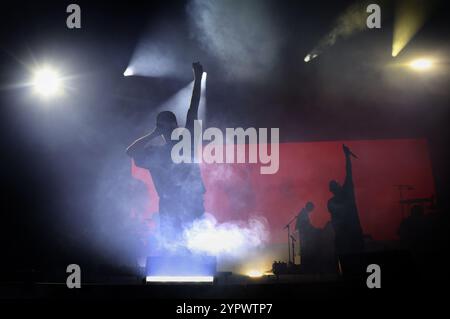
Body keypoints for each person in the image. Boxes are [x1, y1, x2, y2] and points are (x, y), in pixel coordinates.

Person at [126, 62, 205, 245]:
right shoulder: (156, 153)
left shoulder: (185, 141)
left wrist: (198, 80)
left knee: (193, 241)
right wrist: (154, 133)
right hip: (168, 203)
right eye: (163, 126)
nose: (168, 129)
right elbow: (130, 152)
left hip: (190, 201)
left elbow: (193, 110)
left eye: (169, 124)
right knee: (171, 243)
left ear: (175, 125)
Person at [327, 144, 364, 255]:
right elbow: (349, 171)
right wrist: (347, 156)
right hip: (352, 232)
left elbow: (335, 221)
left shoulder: (331, 202)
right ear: (336, 187)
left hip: (345, 235)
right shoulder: (347, 192)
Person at [295, 201, 317, 271]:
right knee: (301, 249)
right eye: (312, 208)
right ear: (309, 207)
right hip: (300, 233)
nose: (312, 210)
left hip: (299, 233)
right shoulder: (304, 213)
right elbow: (306, 224)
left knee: (298, 250)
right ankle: (300, 266)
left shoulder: (304, 212)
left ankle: (298, 265)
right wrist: (314, 229)